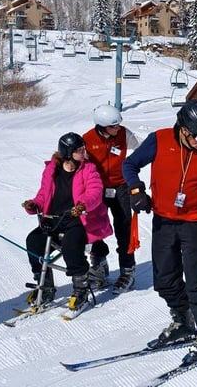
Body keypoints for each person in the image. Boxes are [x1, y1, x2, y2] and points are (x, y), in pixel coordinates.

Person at [123, 100, 197, 363]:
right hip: (163, 220)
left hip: (193, 221)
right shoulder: (159, 139)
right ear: (184, 129)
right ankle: (182, 320)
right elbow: (129, 165)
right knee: (165, 278)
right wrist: (136, 190)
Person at [22, 132, 112, 316]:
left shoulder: (89, 169)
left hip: (77, 219)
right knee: (33, 242)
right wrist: (34, 204)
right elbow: (43, 195)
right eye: (79, 150)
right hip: (53, 220)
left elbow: (95, 192)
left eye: (83, 149)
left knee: (71, 246)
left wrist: (82, 206)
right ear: (68, 152)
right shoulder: (51, 169)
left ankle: (81, 290)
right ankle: (45, 287)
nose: (83, 152)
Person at [82, 104, 140, 294]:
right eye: (113, 126)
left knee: (124, 227)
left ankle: (127, 270)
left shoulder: (124, 134)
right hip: (97, 188)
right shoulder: (88, 140)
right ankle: (99, 265)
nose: (118, 129)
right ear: (101, 126)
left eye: (118, 125)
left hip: (121, 186)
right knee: (93, 228)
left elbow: (139, 152)